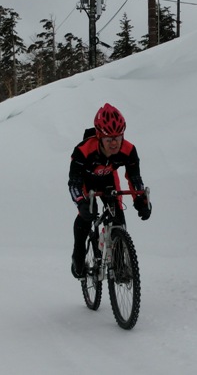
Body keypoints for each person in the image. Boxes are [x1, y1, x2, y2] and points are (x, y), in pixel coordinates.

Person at [68, 103, 152, 278]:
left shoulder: (128, 150)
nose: (114, 143)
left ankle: (120, 263)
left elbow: (134, 177)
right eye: (109, 139)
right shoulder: (82, 152)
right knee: (87, 214)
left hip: (108, 180)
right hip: (86, 181)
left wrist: (140, 199)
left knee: (118, 217)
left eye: (118, 137)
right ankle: (78, 255)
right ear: (99, 137)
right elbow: (74, 183)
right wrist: (81, 202)